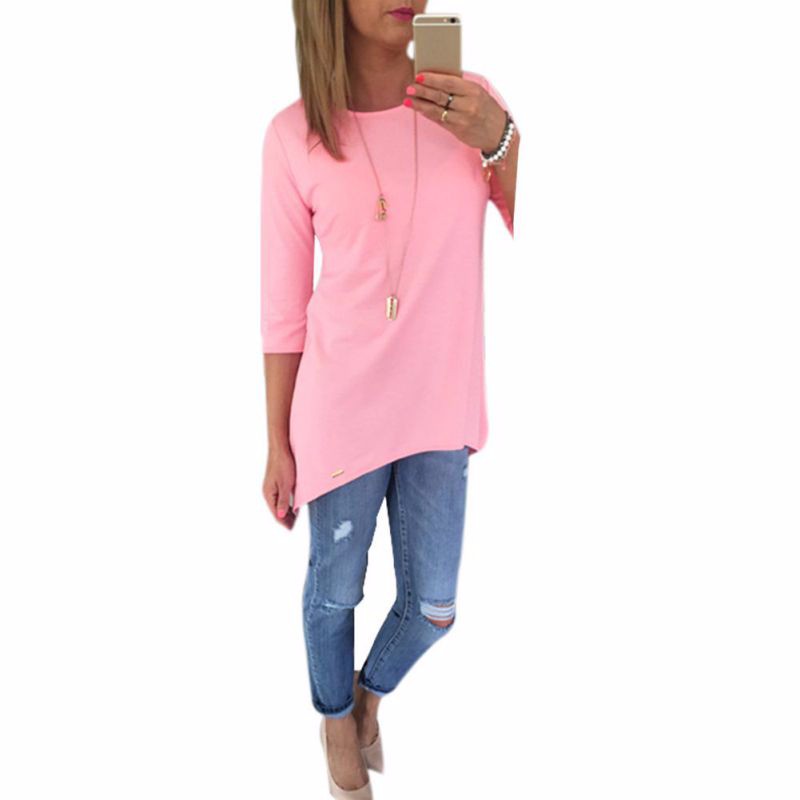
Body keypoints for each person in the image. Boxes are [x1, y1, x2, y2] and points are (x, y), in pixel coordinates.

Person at [260, 1, 519, 796]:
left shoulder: (473, 107)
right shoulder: (294, 135)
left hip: (441, 408)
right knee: (334, 592)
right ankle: (335, 718)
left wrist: (502, 141)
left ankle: (366, 697)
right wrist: (276, 441)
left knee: (434, 608)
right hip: (339, 415)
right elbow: (283, 307)